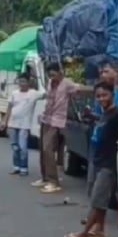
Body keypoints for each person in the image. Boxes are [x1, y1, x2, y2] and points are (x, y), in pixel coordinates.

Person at [82, 62, 118, 232]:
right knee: (98, 188)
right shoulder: (104, 101)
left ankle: (89, 229)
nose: (102, 74)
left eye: (106, 71)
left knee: (102, 191)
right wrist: (94, 117)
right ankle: (99, 223)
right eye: (101, 71)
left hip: (108, 156)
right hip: (98, 150)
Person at [66, 81, 118, 237]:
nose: (101, 99)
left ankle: (84, 234)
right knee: (96, 196)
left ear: (113, 95)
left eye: (104, 95)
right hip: (97, 160)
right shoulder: (105, 114)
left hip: (107, 164)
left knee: (98, 199)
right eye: (98, 96)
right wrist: (93, 117)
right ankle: (99, 229)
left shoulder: (116, 115)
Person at [33, 61, 89, 194]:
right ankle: (45, 177)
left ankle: (54, 181)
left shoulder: (66, 84)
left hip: (57, 120)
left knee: (48, 149)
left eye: (53, 74)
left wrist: (98, 88)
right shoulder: (50, 83)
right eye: (50, 75)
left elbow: (80, 89)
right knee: (42, 149)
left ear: (60, 72)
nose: (52, 77)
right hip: (46, 118)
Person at [2, 74, 38, 176]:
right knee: (15, 147)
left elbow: (45, 93)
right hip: (13, 124)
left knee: (23, 147)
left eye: (24, 81)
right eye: (20, 81)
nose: (22, 84)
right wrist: (4, 121)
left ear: (28, 82)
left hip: (24, 125)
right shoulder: (14, 93)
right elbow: (9, 108)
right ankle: (16, 167)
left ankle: (24, 168)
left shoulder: (33, 93)